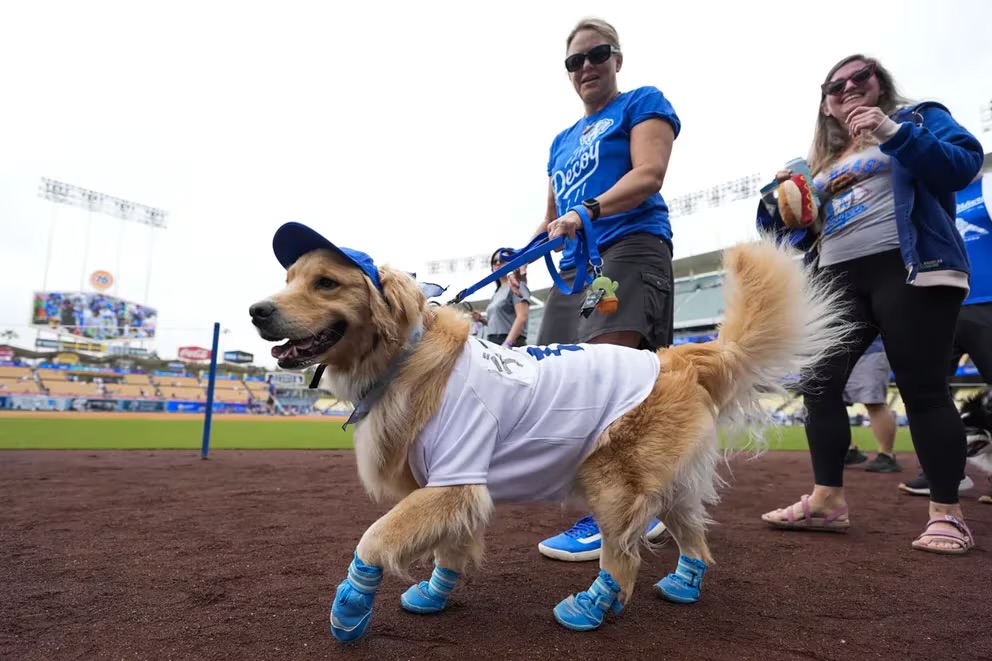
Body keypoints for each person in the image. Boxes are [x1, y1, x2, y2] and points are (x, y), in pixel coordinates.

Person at [757, 54, 983, 554]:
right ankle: (826, 500)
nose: (849, 88)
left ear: (881, 83)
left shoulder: (917, 117)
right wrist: (778, 201)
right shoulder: (822, 162)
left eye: (861, 77)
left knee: (923, 388)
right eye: (835, 86)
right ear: (827, 105)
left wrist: (891, 132)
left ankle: (947, 513)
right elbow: (784, 233)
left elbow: (963, 164)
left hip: (907, 265)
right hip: (837, 275)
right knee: (818, 383)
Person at [519, 16, 680, 589]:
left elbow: (650, 173)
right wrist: (521, 249)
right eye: (574, 61)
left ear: (617, 59)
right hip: (579, 266)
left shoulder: (642, 102)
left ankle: (622, 510)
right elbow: (552, 213)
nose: (586, 67)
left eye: (597, 55)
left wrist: (586, 211)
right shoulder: (560, 142)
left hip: (630, 247)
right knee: (561, 375)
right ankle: (639, 500)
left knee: (609, 376)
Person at [900, 172, 991, 498]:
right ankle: (944, 471)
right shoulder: (925, 190)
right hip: (939, 303)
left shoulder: (984, 185)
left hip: (986, 301)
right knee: (928, 389)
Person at [842, 338, 902, 473]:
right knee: (832, 402)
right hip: (836, 350)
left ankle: (886, 456)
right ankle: (847, 450)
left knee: (874, 402)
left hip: (870, 349)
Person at [472, 248, 531, 348]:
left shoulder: (517, 285)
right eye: (495, 262)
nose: (498, 263)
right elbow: (499, 322)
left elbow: (522, 317)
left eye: (502, 260)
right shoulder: (496, 293)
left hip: (512, 344)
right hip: (494, 342)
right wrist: (482, 320)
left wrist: (507, 344)